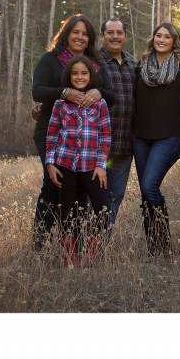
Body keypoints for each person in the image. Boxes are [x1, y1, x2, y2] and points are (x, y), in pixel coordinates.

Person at [31, 14, 115, 252]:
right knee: (52, 183)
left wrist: (99, 93)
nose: (80, 37)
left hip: (87, 139)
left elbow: (110, 95)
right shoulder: (51, 58)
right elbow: (38, 91)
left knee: (79, 191)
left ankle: (74, 244)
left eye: (85, 33)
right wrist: (64, 92)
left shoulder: (94, 63)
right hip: (53, 130)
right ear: (66, 33)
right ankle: (41, 242)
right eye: (75, 32)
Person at [132, 23, 180, 258]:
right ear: (153, 39)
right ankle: (155, 249)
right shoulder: (142, 66)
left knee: (150, 186)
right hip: (140, 137)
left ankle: (164, 243)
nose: (161, 39)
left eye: (167, 36)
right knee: (145, 192)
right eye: (158, 35)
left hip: (170, 136)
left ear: (174, 41)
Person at [45, 55, 112, 267]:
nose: (79, 77)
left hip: (92, 166)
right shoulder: (60, 105)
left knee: (103, 207)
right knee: (66, 210)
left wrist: (102, 164)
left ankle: (91, 254)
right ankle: (71, 259)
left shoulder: (99, 104)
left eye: (84, 73)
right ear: (68, 76)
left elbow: (105, 135)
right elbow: (52, 134)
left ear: (91, 76)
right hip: (65, 164)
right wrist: (50, 163)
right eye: (75, 73)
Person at [98, 19, 137, 223]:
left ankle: (98, 249)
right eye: (110, 32)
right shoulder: (92, 62)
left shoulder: (133, 66)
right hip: (96, 147)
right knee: (93, 199)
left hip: (123, 146)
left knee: (114, 199)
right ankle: (81, 247)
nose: (115, 36)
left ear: (125, 37)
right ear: (102, 36)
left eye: (119, 33)